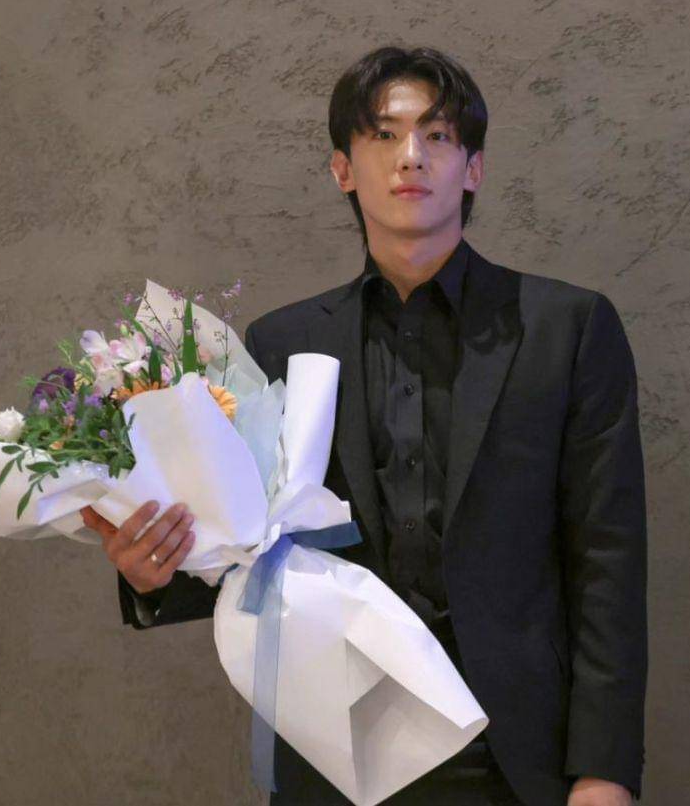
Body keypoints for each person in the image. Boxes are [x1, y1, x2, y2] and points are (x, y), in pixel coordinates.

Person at [81, 45, 648, 806]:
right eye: (384, 134)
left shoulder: (565, 328)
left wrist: (605, 770)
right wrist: (150, 573)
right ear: (343, 169)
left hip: (514, 754)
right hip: (336, 746)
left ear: (473, 168)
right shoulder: (281, 343)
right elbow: (248, 548)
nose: (411, 155)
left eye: (438, 135)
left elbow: (608, 560)